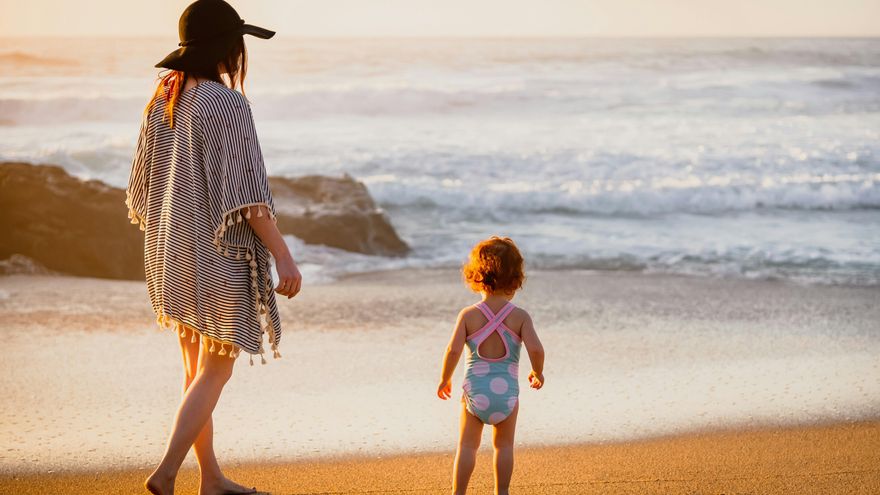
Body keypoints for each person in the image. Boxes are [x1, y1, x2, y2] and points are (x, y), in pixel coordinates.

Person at [124, 1, 302, 493]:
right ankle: (164, 473)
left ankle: (211, 478)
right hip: (217, 255)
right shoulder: (225, 102)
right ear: (227, 46)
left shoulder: (167, 94)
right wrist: (283, 256)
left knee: (194, 372)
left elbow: (146, 182)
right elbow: (246, 195)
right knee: (215, 370)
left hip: (169, 251)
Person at [437, 236, 546, 495]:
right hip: (506, 394)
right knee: (504, 447)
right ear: (515, 279)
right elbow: (536, 349)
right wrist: (537, 372)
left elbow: (452, 350)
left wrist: (445, 379)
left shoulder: (468, 315)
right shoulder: (520, 317)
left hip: (475, 391)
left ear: (476, 275)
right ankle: (502, 491)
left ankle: (459, 492)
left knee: (467, 446)